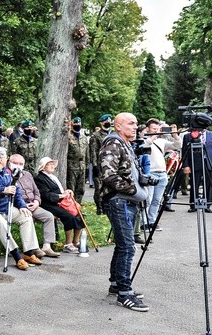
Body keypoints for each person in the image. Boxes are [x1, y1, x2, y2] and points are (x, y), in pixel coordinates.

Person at [100, 112, 148, 312]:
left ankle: (116, 284)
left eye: (136, 123)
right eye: (131, 123)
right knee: (128, 246)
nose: (135, 126)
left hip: (125, 201)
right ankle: (124, 294)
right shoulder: (113, 143)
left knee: (123, 245)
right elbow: (108, 175)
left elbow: (126, 172)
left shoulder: (125, 144)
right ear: (118, 126)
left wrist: (142, 179)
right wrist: (135, 190)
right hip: (118, 201)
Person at [0, 147, 43, 270]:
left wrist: (22, 205)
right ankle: (17, 256)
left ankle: (28, 252)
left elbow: (16, 190)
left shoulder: (7, 171)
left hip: (6, 208)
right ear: (1, 159)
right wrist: (3, 190)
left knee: (26, 216)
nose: (7, 158)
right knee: (1, 223)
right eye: (6, 156)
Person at [9, 154, 60, 257]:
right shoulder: (8, 175)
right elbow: (11, 195)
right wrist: (22, 205)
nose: (18, 166)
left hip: (33, 204)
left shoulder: (27, 174)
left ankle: (47, 246)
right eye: (15, 163)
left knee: (48, 216)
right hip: (19, 206)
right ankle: (34, 247)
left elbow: (36, 191)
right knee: (28, 218)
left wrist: (37, 202)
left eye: (20, 164)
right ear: (9, 163)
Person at [34, 157, 85, 253]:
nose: (52, 165)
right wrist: (62, 195)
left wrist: (66, 192)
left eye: (52, 163)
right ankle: (68, 244)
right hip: (48, 204)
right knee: (68, 216)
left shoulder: (52, 177)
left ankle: (76, 241)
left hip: (59, 202)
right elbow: (45, 195)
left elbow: (59, 191)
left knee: (79, 213)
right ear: (43, 167)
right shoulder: (39, 178)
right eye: (49, 164)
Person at [141, 118, 178, 228]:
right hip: (150, 173)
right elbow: (144, 147)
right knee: (148, 199)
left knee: (157, 200)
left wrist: (175, 135)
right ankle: (144, 222)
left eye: (158, 129)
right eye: (154, 129)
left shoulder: (161, 141)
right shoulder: (143, 140)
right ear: (148, 129)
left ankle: (152, 221)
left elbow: (177, 146)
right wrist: (152, 137)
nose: (157, 131)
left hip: (162, 173)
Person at [181, 119, 212, 213]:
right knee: (194, 184)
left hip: (210, 163)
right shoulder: (188, 136)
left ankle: (207, 205)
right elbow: (184, 151)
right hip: (195, 163)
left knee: (209, 185)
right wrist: (186, 165)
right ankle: (193, 204)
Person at [66, 116, 89, 204]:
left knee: (81, 189)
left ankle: (78, 207)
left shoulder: (83, 138)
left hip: (82, 166)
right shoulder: (69, 137)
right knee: (71, 188)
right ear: (72, 124)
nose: (78, 125)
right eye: (76, 124)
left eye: (79, 124)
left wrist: (87, 167)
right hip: (71, 166)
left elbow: (87, 153)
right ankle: (71, 209)